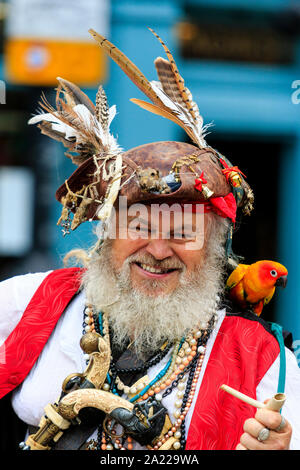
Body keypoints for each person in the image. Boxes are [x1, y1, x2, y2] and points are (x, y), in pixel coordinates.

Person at [1, 29, 300, 451]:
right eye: (139, 228)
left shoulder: (263, 360)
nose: (159, 251)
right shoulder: (23, 305)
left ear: (214, 250)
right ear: (106, 234)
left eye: (182, 235)